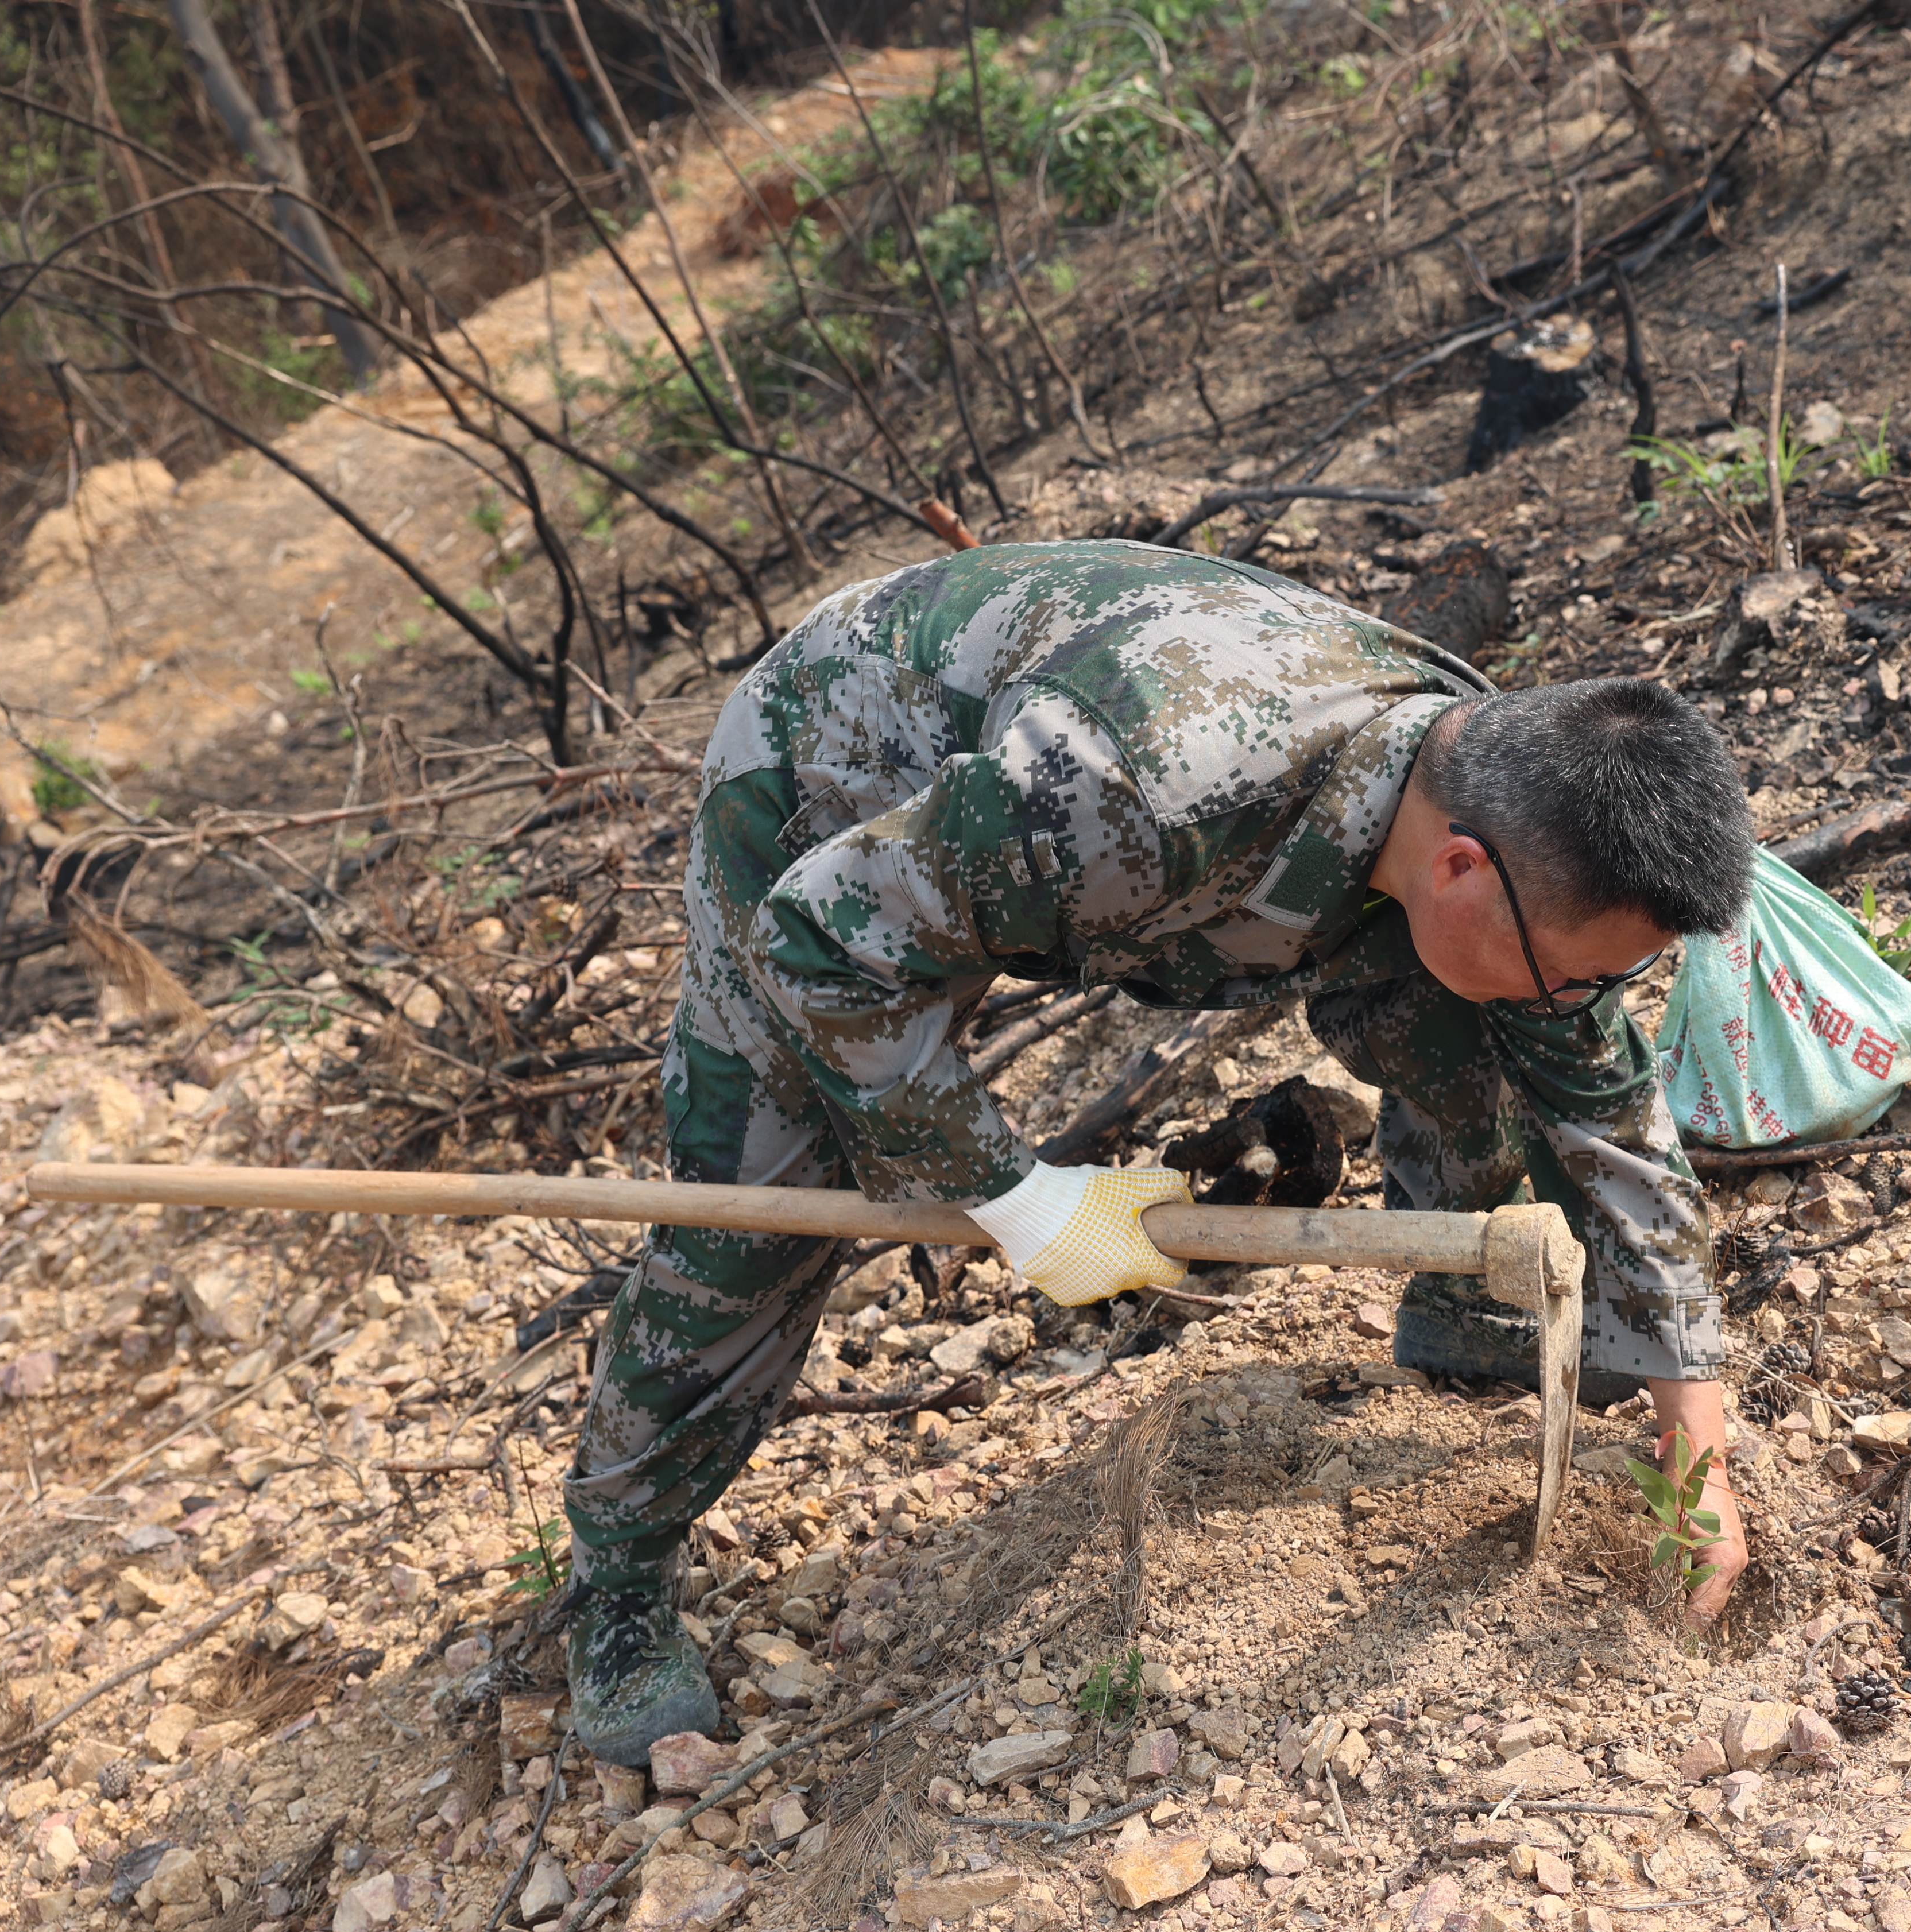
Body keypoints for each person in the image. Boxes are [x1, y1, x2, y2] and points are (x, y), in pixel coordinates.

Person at [559, 536, 1758, 1764]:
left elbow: (1611, 1118)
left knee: (1484, 1012)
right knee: (759, 1205)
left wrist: (1695, 1451)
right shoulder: (1141, 793)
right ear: (1460, 866)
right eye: (1581, 973)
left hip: (1079, 800)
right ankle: (615, 1587)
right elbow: (820, 940)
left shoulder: (1502, 806)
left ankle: (1468, 1306)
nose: (1585, 1002)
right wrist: (1022, 1203)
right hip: (838, 781)